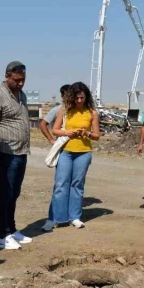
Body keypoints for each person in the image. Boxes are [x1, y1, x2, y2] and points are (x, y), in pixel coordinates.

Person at [0, 61, 32, 250]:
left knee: (14, 193)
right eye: (17, 80)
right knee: (5, 193)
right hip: (6, 152)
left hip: (21, 151)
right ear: (7, 76)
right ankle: (3, 235)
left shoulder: (22, 95)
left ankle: (12, 229)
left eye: (23, 80)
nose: (20, 83)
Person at [50, 82, 101, 228]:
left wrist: (87, 133)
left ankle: (75, 217)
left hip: (83, 152)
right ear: (72, 97)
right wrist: (67, 132)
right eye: (77, 98)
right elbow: (55, 130)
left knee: (77, 185)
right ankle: (59, 218)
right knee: (61, 184)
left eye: (82, 98)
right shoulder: (65, 111)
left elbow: (97, 135)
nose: (79, 100)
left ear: (86, 97)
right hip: (66, 151)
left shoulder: (92, 113)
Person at [40, 84, 69, 232]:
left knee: (73, 186)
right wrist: (51, 140)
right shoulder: (57, 110)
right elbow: (43, 124)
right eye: (66, 95)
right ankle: (52, 218)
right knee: (60, 185)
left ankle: (67, 217)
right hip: (62, 151)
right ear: (62, 96)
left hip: (77, 152)